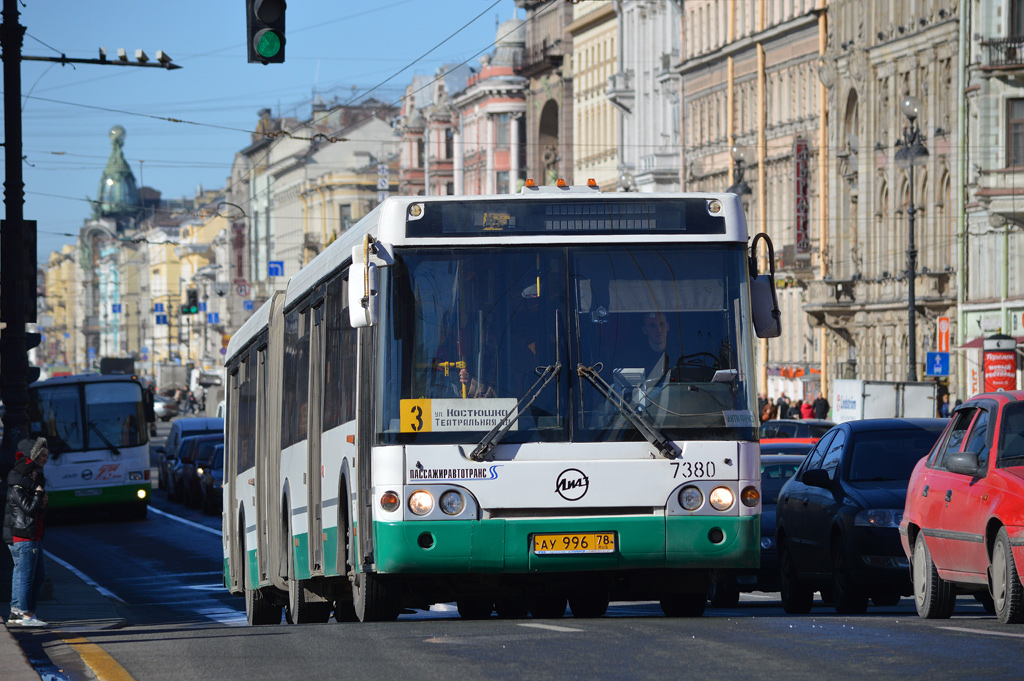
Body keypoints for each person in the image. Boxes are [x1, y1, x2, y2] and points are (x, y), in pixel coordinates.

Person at [3, 437, 50, 628]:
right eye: (43, 455)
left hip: (31, 534)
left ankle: (16, 612)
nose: (46, 459)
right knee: (27, 576)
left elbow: (34, 509)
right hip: (24, 535)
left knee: (28, 574)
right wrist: (39, 495)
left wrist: (41, 499)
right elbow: (28, 509)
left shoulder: (28, 480)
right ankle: (27, 615)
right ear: (33, 457)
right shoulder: (19, 481)